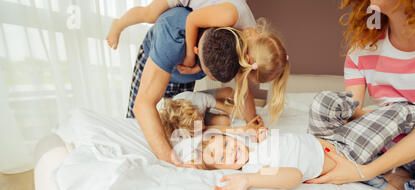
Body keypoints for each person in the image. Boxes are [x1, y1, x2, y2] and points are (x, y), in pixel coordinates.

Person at [308, 0, 415, 190]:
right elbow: (350, 113)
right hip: (384, 142)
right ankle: (393, 177)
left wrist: (365, 172)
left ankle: (400, 184)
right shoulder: (364, 45)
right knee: (327, 167)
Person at [194, 90, 415, 190]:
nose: (229, 150)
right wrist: (248, 179)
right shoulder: (255, 169)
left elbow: (281, 143)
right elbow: (293, 175)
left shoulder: (254, 145)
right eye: (220, 157)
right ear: (224, 170)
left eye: (225, 143)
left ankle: (361, 115)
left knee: (323, 101)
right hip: (345, 153)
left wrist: (262, 136)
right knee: (396, 113)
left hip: (321, 136)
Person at [107, 0, 290, 123]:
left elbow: (243, 89)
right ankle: (119, 23)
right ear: (249, 60)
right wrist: (189, 59)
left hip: (205, 11)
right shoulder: (230, 16)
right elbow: (192, 19)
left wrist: (252, 122)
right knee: (150, 14)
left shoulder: (250, 42)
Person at [126, 7, 258, 168]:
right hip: (160, 58)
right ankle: (119, 25)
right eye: (207, 74)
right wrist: (173, 162)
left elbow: (243, 84)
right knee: (138, 127)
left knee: (182, 126)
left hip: (188, 62)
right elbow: (142, 105)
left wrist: (252, 122)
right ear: (197, 53)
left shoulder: (233, 39)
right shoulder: (171, 37)